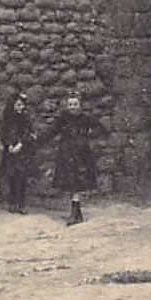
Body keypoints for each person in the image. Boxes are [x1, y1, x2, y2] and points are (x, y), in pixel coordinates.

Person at [50, 93, 102, 225]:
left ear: (80, 106)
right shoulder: (63, 119)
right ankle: (77, 213)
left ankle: (74, 213)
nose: (73, 107)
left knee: (77, 183)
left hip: (82, 155)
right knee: (71, 183)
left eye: (75, 104)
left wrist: (88, 137)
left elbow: (100, 128)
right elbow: (52, 132)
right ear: (67, 106)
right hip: (66, 155)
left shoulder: (86, 118)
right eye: (70, 105)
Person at [0, 90, 37, 214]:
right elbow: (4, 133)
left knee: (22, 176)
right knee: (12, 176)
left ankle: (21, 203)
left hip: (23, 151)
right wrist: (9, 145)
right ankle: (13, 202)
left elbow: (29, 133)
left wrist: (20, 144)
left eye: (22, 105)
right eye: (18, 105)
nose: (21, 108)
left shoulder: (25, 119)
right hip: (10, 152)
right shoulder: (7, 119)